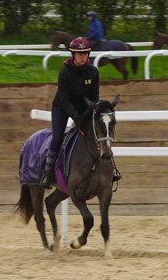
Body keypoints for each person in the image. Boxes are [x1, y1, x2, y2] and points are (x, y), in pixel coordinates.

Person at [41, 37, 120, 188]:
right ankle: (48, 172)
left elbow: (94, 97)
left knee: (98, 133)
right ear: (73, 54)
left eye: (85, 53)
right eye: (79, 54)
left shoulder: (93, 72)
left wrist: (94, 112)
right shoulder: (65, 72)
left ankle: (110, 169)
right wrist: (77, 118)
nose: (82, 57)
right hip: (62, 108)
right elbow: (64, 99)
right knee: (57, 137)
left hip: (85, 108)